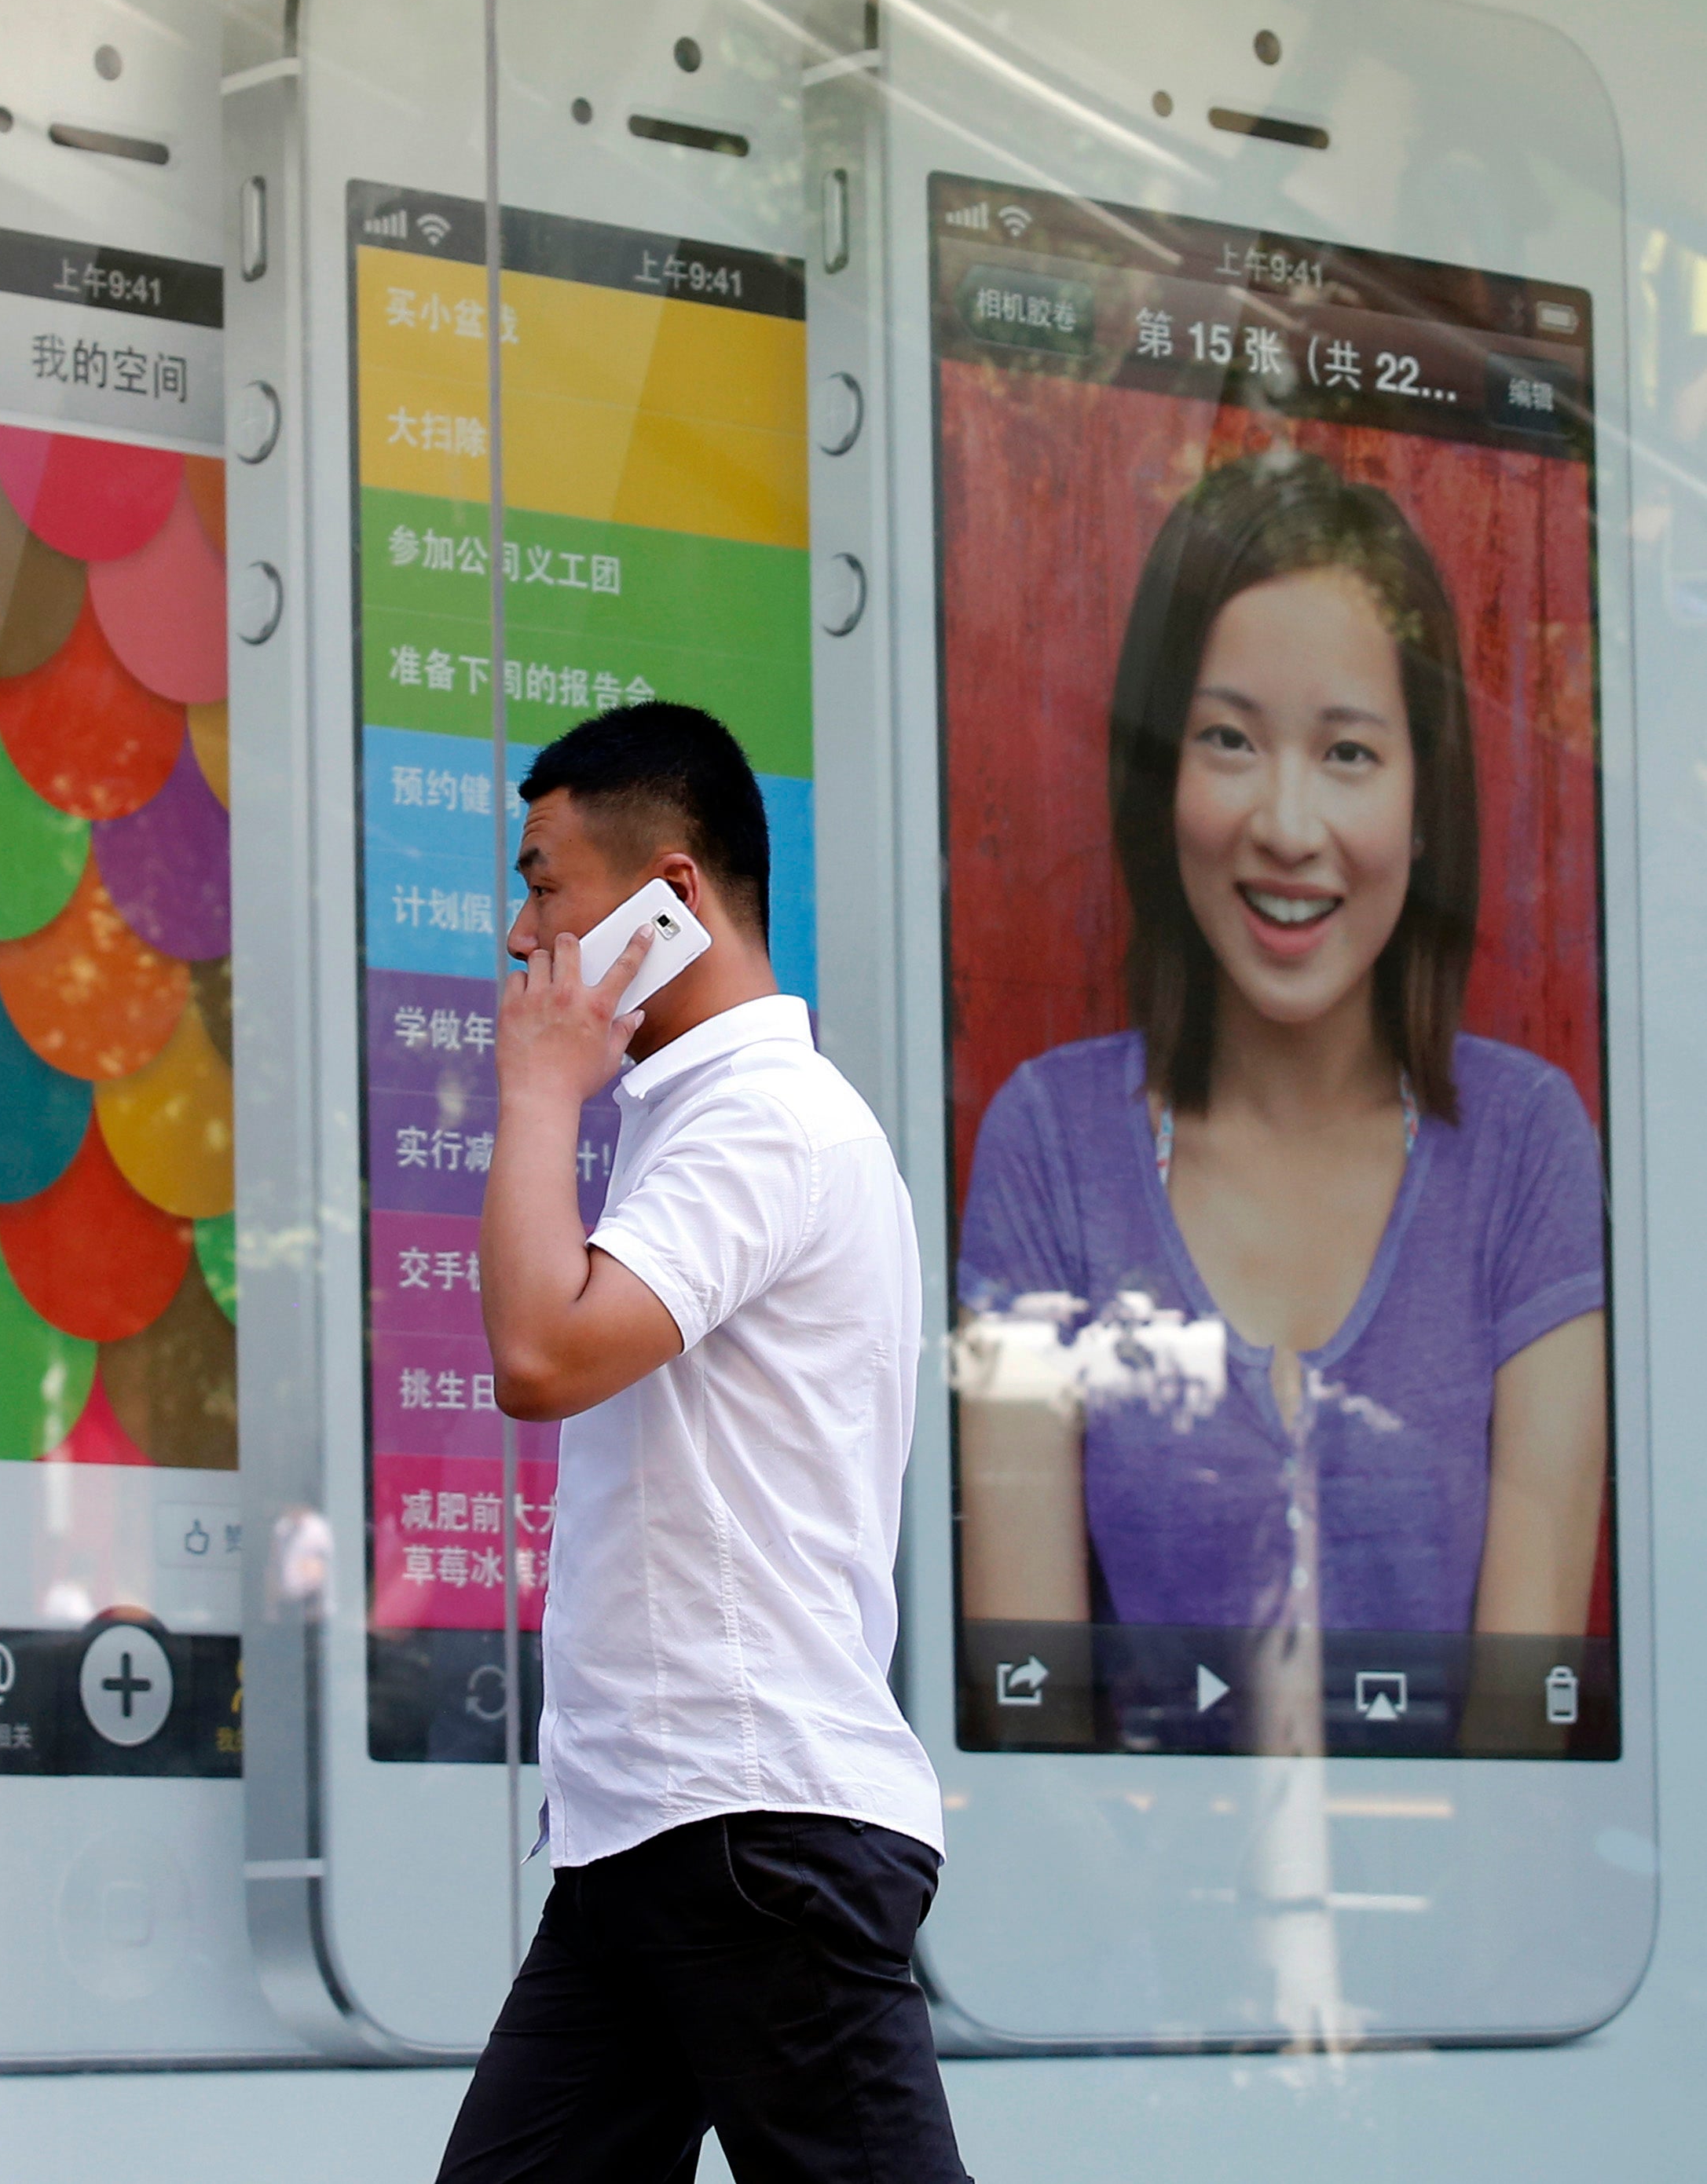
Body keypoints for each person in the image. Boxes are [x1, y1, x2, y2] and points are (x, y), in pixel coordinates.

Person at [435, 702, 966, 2184]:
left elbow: (541, 1353)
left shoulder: (769, 1122)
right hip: (650, 1836)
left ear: (668, 902)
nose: (521, 934)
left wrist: (539, 1086)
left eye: (545, 885)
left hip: (750, 1830)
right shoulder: (702, 1121)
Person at [955, 450, 1607, 1643]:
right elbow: (1021, 1688)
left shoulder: (1528, 1150)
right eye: (1229, 741)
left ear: (1424, 808)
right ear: (1164, 783)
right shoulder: (1046, 1146)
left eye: (1350, 753)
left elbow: (1530, 1725)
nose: (1289, 826)